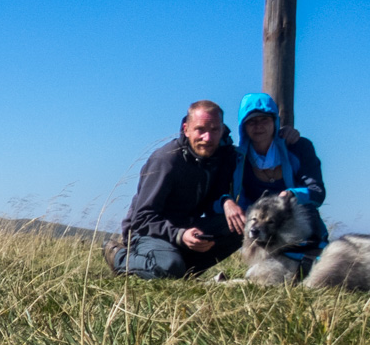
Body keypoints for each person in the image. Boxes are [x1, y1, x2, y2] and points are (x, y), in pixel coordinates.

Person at [109, 100, 241, 278]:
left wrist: (226, 201)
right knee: (170, 267)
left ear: (222, 130)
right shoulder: (166, 161)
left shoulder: (219, 157)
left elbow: (257, 148)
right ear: (186, 129)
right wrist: (180, 235)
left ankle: (182, 271)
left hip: (187, 229)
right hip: (148, 233)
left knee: (243, 226)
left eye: (214, 130)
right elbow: (141, 219)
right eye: (200, 129)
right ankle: (119, 257)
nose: (207, 138)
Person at [219, 93, 325, 243]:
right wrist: (227, 202)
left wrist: (291, 195)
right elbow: (221, 192)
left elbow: (317, 192)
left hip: (298, 226)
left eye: (265, 119)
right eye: (251, 121)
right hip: (255, 230)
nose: (258, 126)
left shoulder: (298, 147)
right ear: (243, 126)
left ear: (275, 121)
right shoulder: (236, 158)